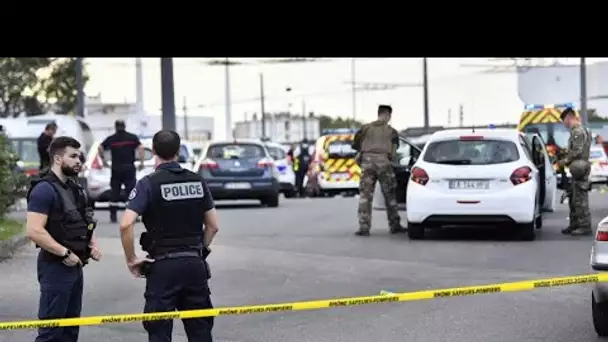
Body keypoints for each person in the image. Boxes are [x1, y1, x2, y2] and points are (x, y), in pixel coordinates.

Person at [119, 130, 219, 342]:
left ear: (154, 151)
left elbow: (126, 224)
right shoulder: (198, 182)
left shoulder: (148, 184)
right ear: (178, 150)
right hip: (194, 265)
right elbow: (213, 226)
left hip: (163, 267)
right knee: (200, 330)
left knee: (159, 330)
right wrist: (199, 250)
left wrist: (132, 259)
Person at [25, 136, 102, 342]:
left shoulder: (75, 188)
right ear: (58, 159)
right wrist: (64, 253)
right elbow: (34, 230)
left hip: (75, 266)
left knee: (70, 331)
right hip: (55, 267)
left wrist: (91, 244)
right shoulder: (44, 189)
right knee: (51, 332)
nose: (79, 160)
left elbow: (83, 220)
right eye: (73, 156)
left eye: (80, 156)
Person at [352, 105, 407, 236]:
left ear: (378, 114)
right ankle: (394, 225)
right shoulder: (392, 132)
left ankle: (363, 227)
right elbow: (393, 154)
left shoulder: (365, 128)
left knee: (365, 196)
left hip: (367, 164)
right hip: (384, 164)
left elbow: (357, 147)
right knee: (390, 195)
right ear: (388, 115)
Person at [99, 120, 145, 223]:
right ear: (125, 126)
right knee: (131, 191)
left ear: (115, 127)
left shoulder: (111, 139)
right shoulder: (132, 137)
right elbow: (141, 148)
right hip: (129, 168)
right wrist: (141, 162)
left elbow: (100, 147)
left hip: (116, 169)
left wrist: (104, 160)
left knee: (115, 191)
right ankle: (133, 215)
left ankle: (113, 215)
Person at [558, 107, 592, 236]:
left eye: (564, 121)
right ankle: (575, 224)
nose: (564, 124)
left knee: (579, 198)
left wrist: (564, 160)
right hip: (578, 168)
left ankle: (584, 226)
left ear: (569, 117)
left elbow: (577, 151)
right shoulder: (580, 130)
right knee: (573, 196)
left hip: (579, 167)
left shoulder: (577, 131)